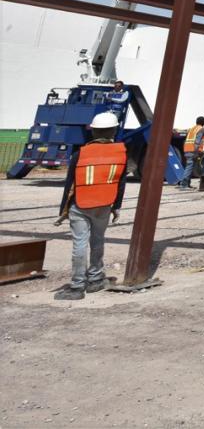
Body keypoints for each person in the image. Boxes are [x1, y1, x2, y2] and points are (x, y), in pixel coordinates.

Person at [53, 111, 128, 300]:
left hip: (80, 204)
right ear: (114, 131)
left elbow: (70, 184)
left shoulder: (80, 154)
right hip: (104, 205)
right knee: (97, 241)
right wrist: (116, 206)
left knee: (80, 243)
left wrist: (63, 210)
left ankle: (77, 286)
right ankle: (95, 279)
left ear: (93, 132)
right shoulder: (121, 154)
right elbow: (120, 183)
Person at [177, 116, 204, 188]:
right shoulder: (201, 129)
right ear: (203, 122)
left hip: (187, 149)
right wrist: (196, 152)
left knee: (190, 167)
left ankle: (187, 184)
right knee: (190, 167)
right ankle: (184, 185)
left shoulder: (192, 128)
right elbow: (197, 141)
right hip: (193, 150)